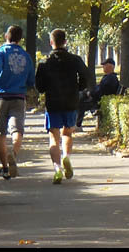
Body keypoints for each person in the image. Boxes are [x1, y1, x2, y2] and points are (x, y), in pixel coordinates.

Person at [34, 29, 89, 184]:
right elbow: (86, 75)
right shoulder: (75, 59)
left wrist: (46, 88)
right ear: (65, 42)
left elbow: (39, 86)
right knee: (68, 133)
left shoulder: (45, 63)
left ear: (51, 42)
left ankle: (57, 169)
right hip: (71, 101)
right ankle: (66, 156)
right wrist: (78, 87)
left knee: (53, 138)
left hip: (53, 103)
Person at [0, 25, 34, 180]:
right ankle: (13, 153)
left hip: (1, 96)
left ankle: (5, 168)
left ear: (6, 36)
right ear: (20, 38)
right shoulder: (26, 56)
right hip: (18, 96)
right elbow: (30, 79)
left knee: (1, 134)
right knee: (17, 131)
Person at [76, 57, 121, 129]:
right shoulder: (109, 77)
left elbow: (101, 91)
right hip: (98, 99)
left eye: (104, 65)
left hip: (98, 101)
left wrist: (90, 94)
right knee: (80, 96)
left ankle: (77, 125)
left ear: (110, 66)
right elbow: (100, 89)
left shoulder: (110, 78)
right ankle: (76, 124)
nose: (103, 67)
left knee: (81, 103)